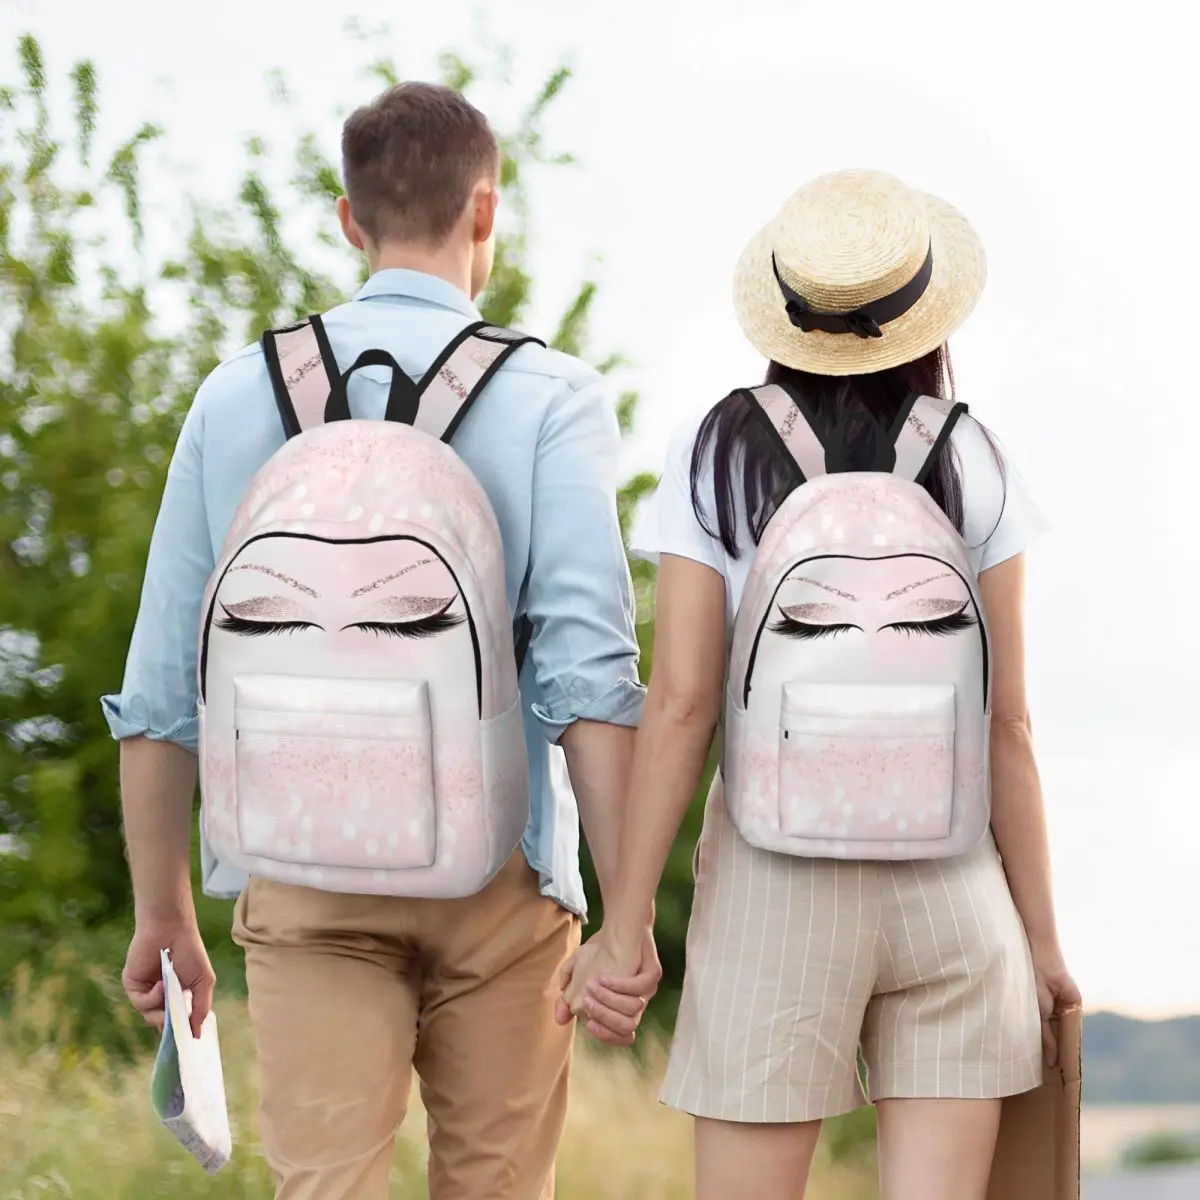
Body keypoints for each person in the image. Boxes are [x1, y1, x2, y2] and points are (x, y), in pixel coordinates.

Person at [104, 81, 661, 1200]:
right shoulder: (550, 396)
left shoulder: (234, 396)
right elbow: (588, 679)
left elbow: (165, 683)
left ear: (349, 219)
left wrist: (162, 909)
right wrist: (627, 914)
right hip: (502, 877)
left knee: (325, 1187)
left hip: (303, 873)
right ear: (485, 213)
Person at [560, 169, 1081, 1200]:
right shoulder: (975, 456)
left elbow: (682, 705)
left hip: (773, 884)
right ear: (924, 315)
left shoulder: (716, 452)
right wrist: (1042, 942)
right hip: (953, 887)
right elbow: (1008, 723)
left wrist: (624, 926)